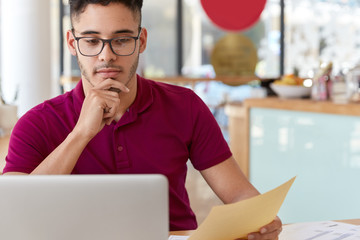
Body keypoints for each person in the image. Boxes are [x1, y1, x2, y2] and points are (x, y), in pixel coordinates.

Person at [3, 0, 282, 238]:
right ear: (72, 43)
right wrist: (81, 134)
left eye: (122, 39)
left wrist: (260, 220)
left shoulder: (185, 106)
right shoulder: (36, 123)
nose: (106, 56)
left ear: (142, 41)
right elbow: (12, 215)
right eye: (91, 41)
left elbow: (239, 194)